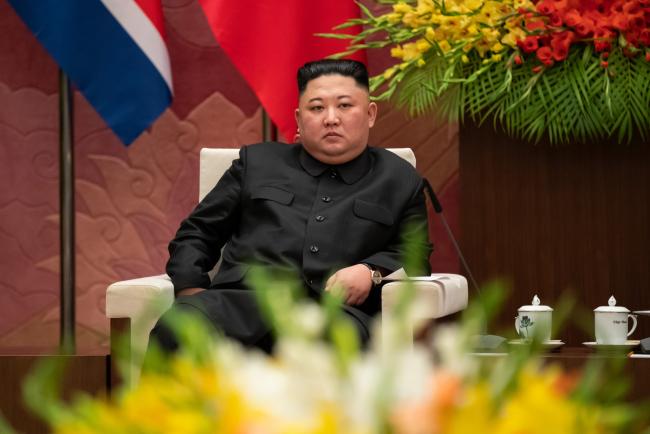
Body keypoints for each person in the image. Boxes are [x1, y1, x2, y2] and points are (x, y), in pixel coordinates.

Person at [150, 59, 432, 353]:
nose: (331, 118)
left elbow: (417, 255)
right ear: (299, 118)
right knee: (177, 326)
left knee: (337, 347)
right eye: (317, 107)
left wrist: (371, 270)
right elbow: (197, 233)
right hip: (240, 304)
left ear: (371, 113)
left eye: (345, 106)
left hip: (335, 317)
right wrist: (192, 293)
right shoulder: (256, 164)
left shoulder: (399, 179)